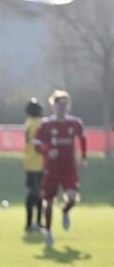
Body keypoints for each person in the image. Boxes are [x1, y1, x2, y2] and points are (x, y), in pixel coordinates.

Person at [33, 90, 87, 248]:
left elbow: (83, 139)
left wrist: (83, 158)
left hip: (69, 169)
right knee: (48, 202)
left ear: (68, 106)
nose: (62, 107)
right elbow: (36, 145)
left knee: (72, 197)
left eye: (65, 104)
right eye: (59, 104)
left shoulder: (75, 123)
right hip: (51, 170)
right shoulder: (46, 124)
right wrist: (47, 151)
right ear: (53, 105)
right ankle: (49, 233)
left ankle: (65, 210)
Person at [22, 98, 45, 233]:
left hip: (30, 161)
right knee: (36, 194)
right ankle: (33, 223)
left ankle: (34, 223)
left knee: (34, 193)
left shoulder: (29, 122)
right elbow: (39, 144)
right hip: (38, 162)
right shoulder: (38, 124)